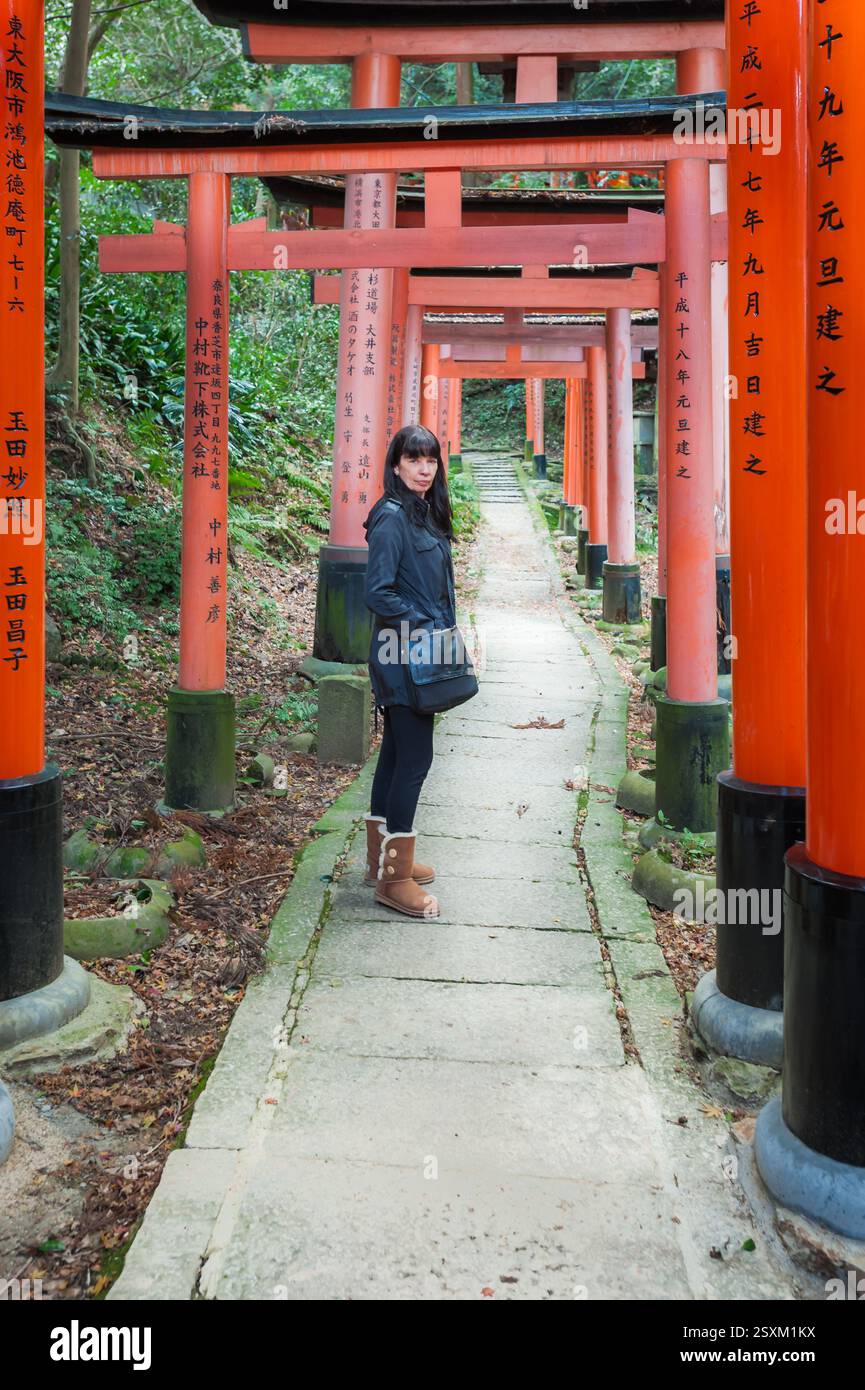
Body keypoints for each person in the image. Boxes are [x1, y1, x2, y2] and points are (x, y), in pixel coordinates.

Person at [362, 424, 457, 919]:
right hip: (401, 653)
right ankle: (394, 880)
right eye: (414, 459)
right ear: (396, 463)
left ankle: (383, 859)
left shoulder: (423, 513)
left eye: (431, 460)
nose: (424, 468)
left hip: (417, 650)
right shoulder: (393, 518)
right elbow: (378, 592)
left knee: (397, 755)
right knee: (416, 760)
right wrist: (427, 625)